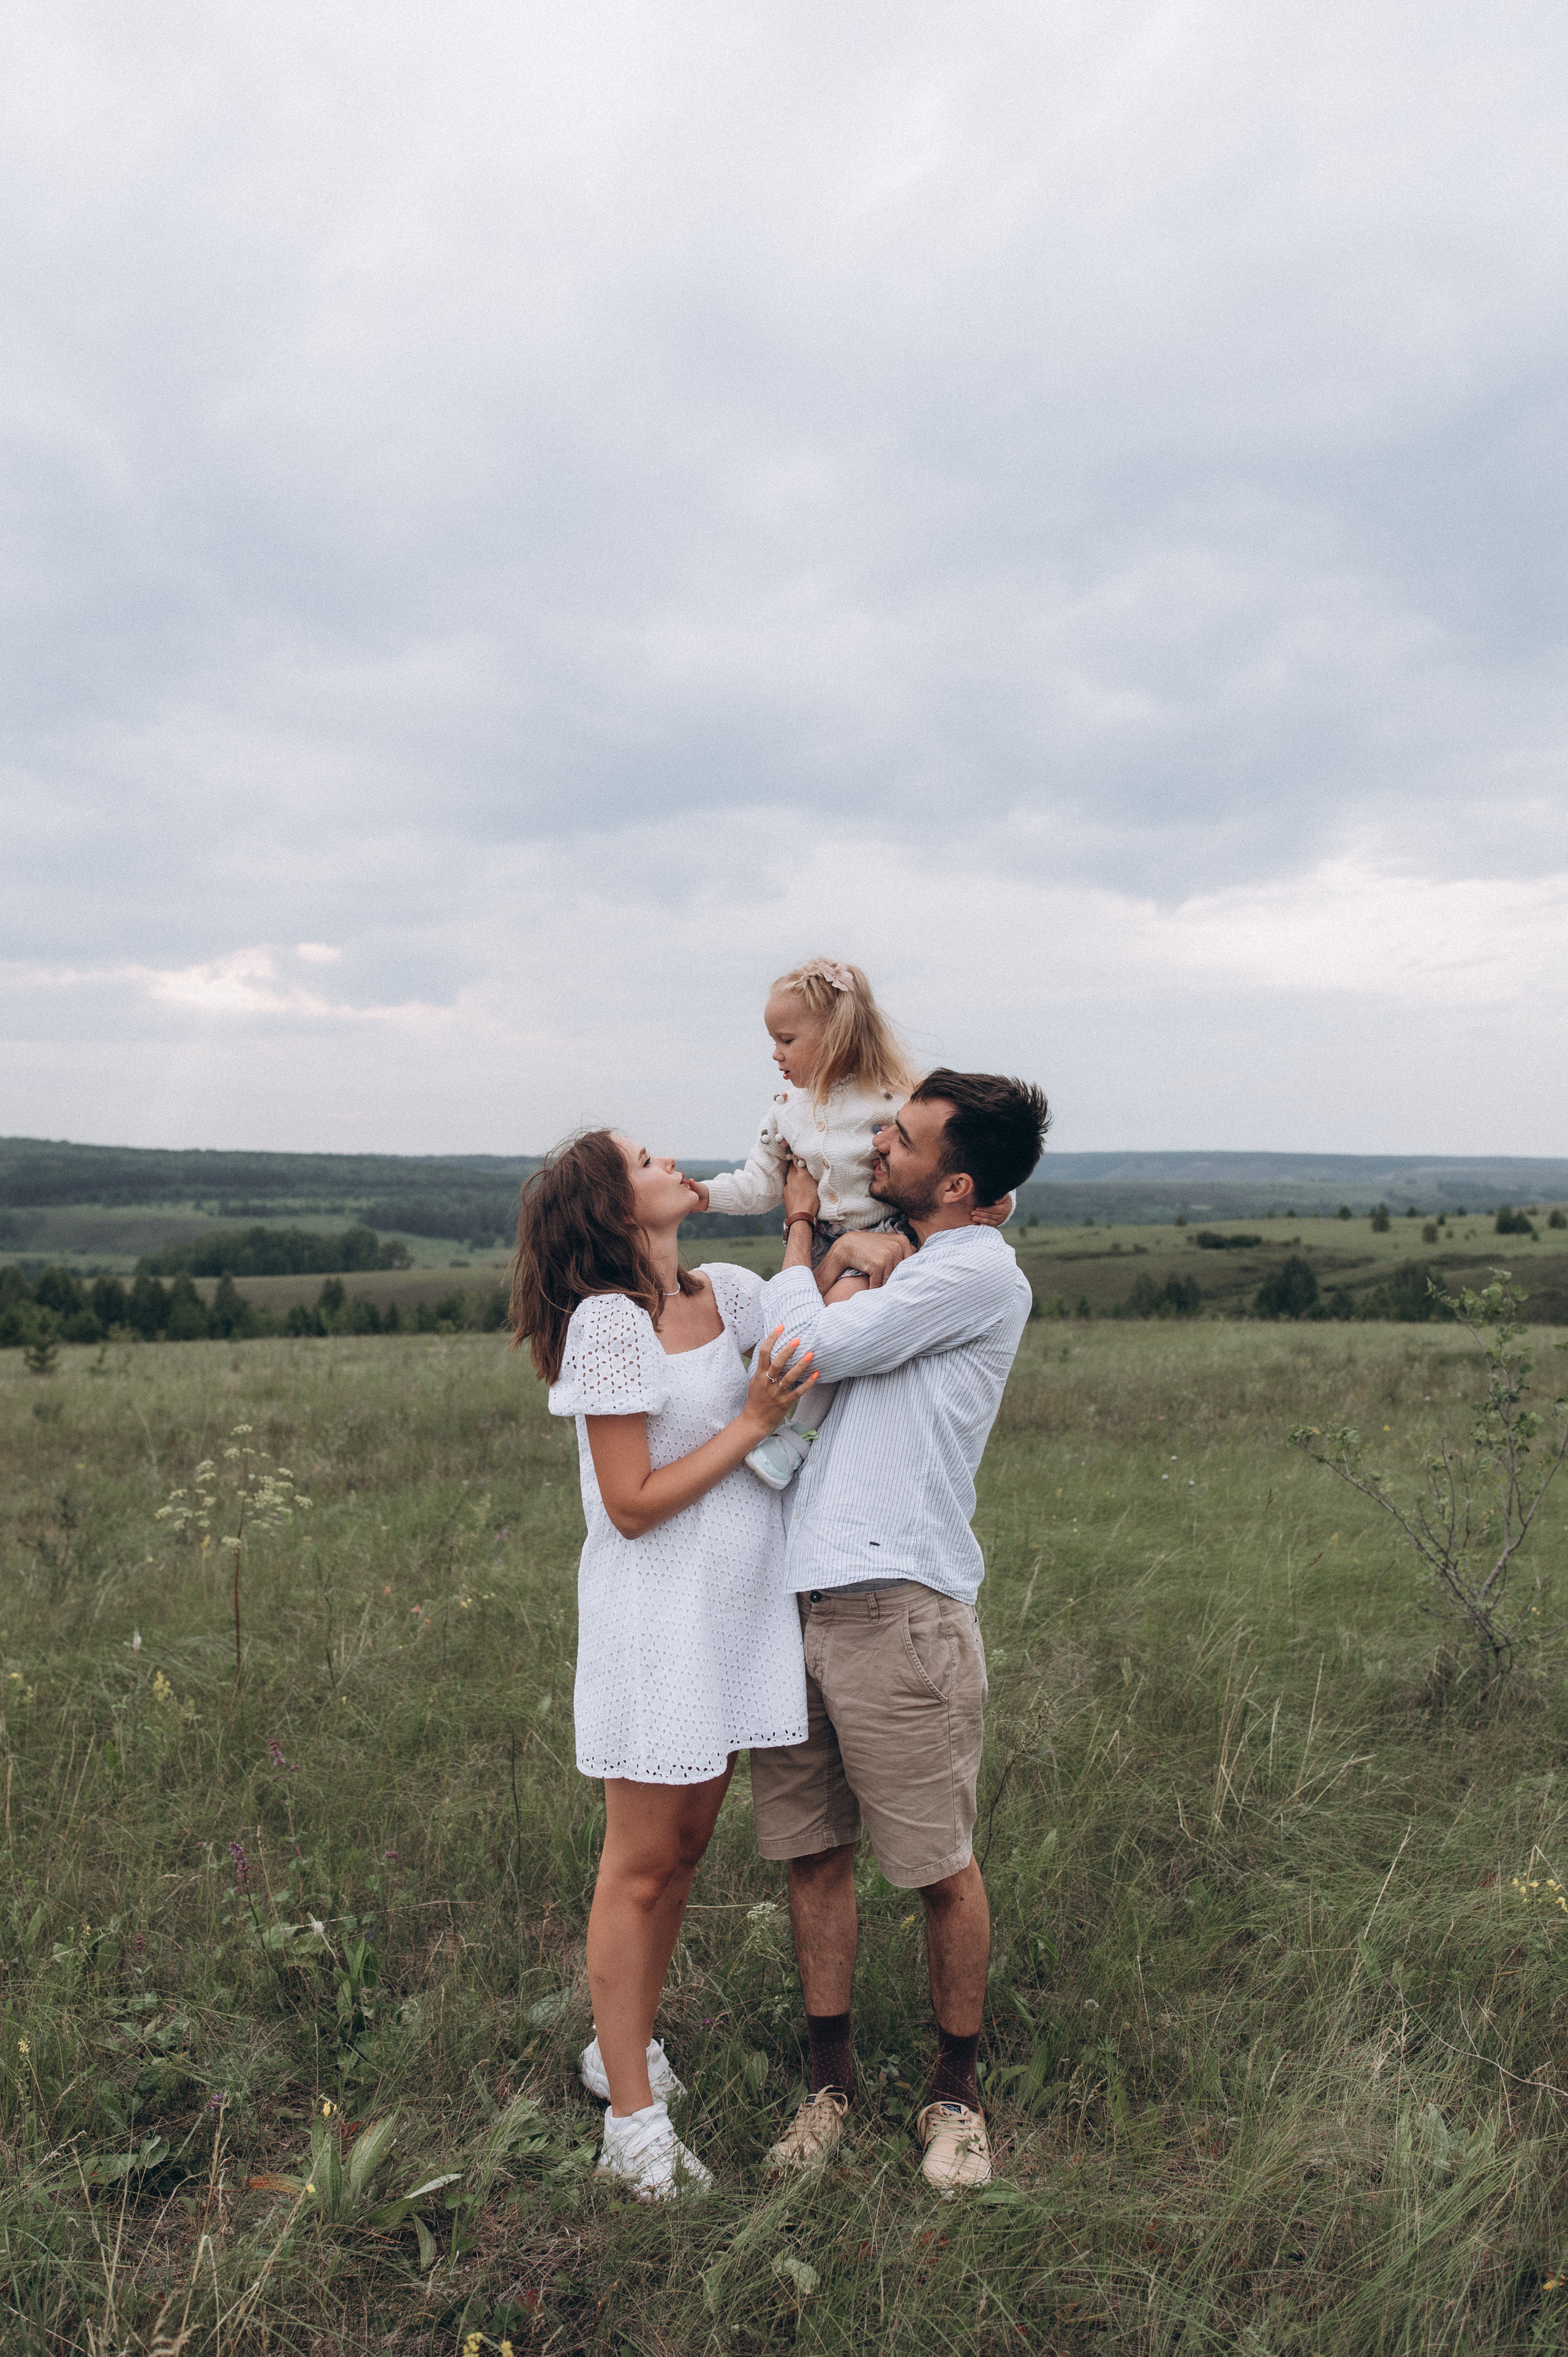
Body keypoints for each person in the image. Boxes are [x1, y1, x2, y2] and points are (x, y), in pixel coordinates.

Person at [748, 1069, 1049, 2192]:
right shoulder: (916, 1251)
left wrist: (796, 1236)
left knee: (935, 1864)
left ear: (960, 1183)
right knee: (813, 1851)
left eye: (904, 1137)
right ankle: (829, 2088)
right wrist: (860, 1254)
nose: (878, 1144)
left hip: (899, 1606)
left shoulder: (975, 1270)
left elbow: (803, 1357)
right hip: (803, 1597)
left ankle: (957, 2098)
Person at [508, 1129, 817, 2201]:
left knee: (685, 1847)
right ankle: (631, 2124)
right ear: (611, 1204)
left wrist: (807, 1215)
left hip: (732, 1614)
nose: (672, 1157)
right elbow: (631, 1503)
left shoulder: (725, 1295)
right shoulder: (609, 1323)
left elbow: (815, 1310)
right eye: (645, 1155)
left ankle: (614, 2046)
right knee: (638, 1863)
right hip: (658, 1618)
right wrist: (754, 1424)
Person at [691, 958, 1006, 1489]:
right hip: (820, 1244)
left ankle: (795, 1438)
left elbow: (966, 1156)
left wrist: (1002, 1203)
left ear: (834, 1035)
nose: (776, 1053)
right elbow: (758, 1186)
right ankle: (756, 1422)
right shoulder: (785, 1113)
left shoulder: (894, 1097)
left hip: (886, 1236)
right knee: (783, 1332)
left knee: (831, 1322)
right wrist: (699, 1194)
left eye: (787, 1039)